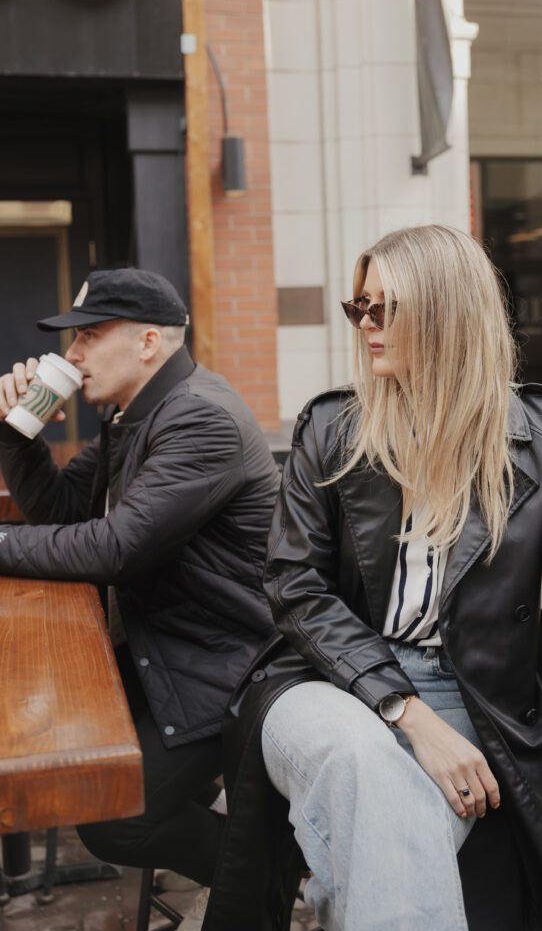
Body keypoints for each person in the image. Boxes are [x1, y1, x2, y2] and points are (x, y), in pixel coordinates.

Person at [204, 225, 542, 931]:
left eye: (383, 308)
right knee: (363, 763)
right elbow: (295, 588)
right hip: (323, 682)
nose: (364, 325)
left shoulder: (537, 436)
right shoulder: (332, 429)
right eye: (357, 307)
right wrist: (409, 715)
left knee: (386, 848)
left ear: (445, 311)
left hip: (474, 697)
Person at [0, 268, 280, 927]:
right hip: (169, 647)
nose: (71, 356)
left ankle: (269, 872)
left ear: (148, 342)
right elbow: (64, 513)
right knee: (39, 721)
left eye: (88, 337)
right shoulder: (136, 413)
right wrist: (18, 434)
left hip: (229, 670)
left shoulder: (200, 418)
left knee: (107, 815)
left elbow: (111, 549)